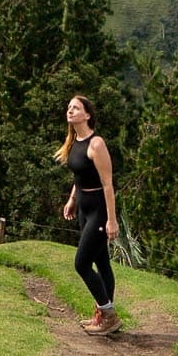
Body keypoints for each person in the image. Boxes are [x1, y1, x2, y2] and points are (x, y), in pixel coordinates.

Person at [57, 93, 119, 334]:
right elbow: (79, 176)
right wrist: (72, 200)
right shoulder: (74, 142)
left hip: (99, 210)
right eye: (69, 107)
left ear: (88, 115)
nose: (70, 111)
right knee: (102, 262)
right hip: (84, 207)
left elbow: (107, 184)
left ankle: (108, 313)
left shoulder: (96, 144)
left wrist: (112, 220)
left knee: (82, 263)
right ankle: (104, 315)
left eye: (76, 108)